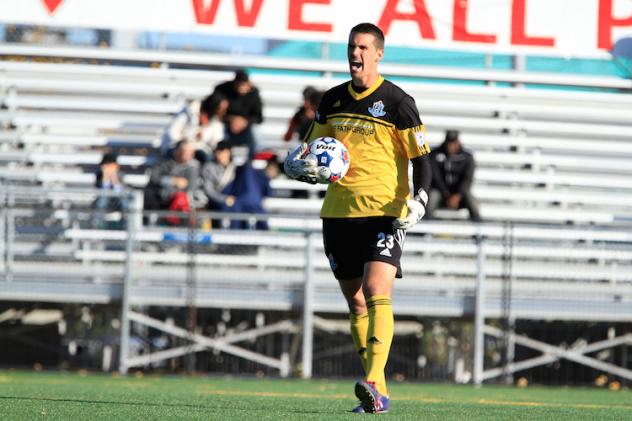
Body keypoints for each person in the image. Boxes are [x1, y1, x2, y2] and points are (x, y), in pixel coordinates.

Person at [283, 23, 432, 414]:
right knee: (356, 305)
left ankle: (371, 382)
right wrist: (299, 164)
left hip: (384, 211)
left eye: (364, 47)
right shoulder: (332, 100)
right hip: (338, 213)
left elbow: (421, 158)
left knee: (376, 290)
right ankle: (377, 396)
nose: (356, 53)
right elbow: (313, 149)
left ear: (379, 53)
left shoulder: (398, 102)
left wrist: (421, 199)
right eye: (352, 46)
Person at [427, 130, 481, 222]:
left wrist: (457, 196)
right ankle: (423, 230)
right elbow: (436, 178)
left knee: (472, 200)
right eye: (449, 143)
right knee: (432, 197)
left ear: (458, 142)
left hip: (460, 195)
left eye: (453, 143)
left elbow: (467, 179)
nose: (450, 146)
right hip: (441, 193)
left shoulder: (467, 157)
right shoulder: (434, 155)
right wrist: (446, 194)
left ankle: (479, 231)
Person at [144, 140, 201, 224]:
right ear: (177, 151)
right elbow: (153, 177)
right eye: (186, 151)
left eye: (191, 152)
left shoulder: (193, 168)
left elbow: (191, 188)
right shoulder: (165, 163)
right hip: (160, 197)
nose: (190, 154)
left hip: (179, 201)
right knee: (148, 193)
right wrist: (172, 181)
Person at [163, 91, 229, 163]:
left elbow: (216, 140)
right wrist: (183, 145)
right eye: (220, 109)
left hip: (201, 152)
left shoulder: (216, 122)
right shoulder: (187, 112)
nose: (224, 112)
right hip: (179, 148)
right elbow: (172, 132)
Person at [213, 69, 263, 159]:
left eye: (244, 86)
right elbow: (215, 112)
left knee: (256, 132)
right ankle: (222, 156)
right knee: (217, 129)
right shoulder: (222, 90)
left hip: (246, 127)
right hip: (226, 125)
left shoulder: (254, 93)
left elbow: (259, 118)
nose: (242, 89)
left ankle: (253, 159)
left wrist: (244, 122)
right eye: (240, 85)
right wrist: (231, 120)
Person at [93, 152, 126, 228]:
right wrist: (106, 179)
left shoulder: (121, 175)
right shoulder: (99, 176)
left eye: (109, 165)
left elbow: (120, 192)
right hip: (104, 203)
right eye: (106, 166)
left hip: (118, 203)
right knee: (103, 198)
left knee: (124, 200)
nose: (108, 168)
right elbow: (102, 192)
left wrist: (114, 179)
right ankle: (96, 224)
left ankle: (126, 222)